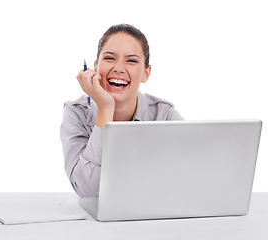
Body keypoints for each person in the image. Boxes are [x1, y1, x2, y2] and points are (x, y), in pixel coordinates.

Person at [60, 24, 183, 197]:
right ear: (95, 67)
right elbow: (88, 191)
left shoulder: (165, 115)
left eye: (131, 60)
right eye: (109, 58)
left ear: (146, 73)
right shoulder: (77, 113)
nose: (118, 68)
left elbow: (188, 180)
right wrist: (105, 108)